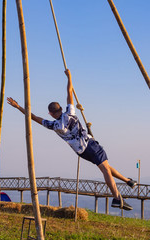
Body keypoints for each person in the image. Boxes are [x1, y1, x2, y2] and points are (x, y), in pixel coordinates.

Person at [7, 69, 136, 210]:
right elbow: (69, 93)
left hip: (81, 152)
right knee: (105, 169)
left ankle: (127, 181)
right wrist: (69, 77)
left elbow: (33, 117)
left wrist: (18, 106)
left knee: (105, 166)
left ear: (50, 113)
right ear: (61, 108)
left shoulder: (54, 125)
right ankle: (117, 198)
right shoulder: (70, 113)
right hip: (89, 144)